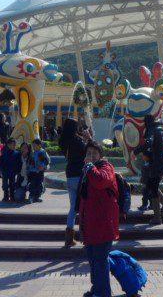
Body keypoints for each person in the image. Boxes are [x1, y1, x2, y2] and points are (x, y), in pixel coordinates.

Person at [78, 141, 119, 297]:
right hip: (90, 224)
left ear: (101, 155)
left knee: (100, 262)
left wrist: (89, 167)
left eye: (94, 153)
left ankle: (103, 293)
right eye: (88, 153)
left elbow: (101, 181)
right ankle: (97, 290)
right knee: (94, 262)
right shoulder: (87, 171)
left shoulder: (106, 167)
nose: (90, 156)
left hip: (103, 224)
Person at [59, 118, 88, 247]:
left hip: (69, 175)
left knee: (73, 208)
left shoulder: (64, 141)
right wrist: (88, 138)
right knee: (84, 206)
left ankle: (69, 239)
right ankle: (85, 235)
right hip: (79, 175)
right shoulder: (77, 140)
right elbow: (89, 151)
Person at [142, 115, 163, 225]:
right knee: (152, 185)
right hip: (162, 162)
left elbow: (149, 143)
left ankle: (157, 217)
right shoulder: (160, 129)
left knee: (153, 188)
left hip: (156, 163)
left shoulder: (152, 129)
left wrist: (142, 151)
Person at [28, 138, 50, 203]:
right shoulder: (33, 153)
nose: (33, 147)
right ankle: (31, 196)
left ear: (39, 145)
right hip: (33, 171)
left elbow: (47, 160)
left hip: (40, 172)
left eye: (35, 145)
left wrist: (43, 166)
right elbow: (30, 162)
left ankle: (37, 196)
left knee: (39, 184)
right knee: (32, 184)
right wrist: (29, 168)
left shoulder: (42, 152)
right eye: (33, 146)